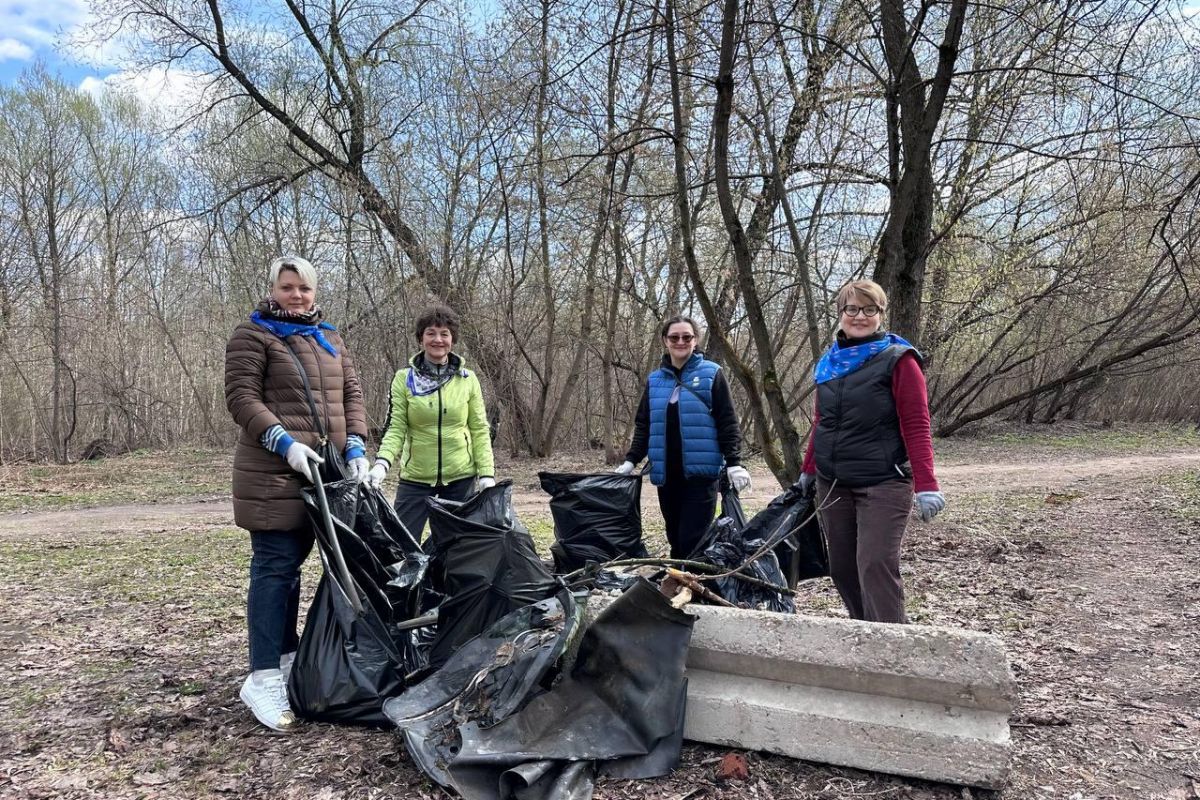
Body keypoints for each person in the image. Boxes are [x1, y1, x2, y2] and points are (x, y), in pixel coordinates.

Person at [224, 255, 369, 732]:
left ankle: (286, 661)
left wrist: (355, 445)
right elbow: (242, 398)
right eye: (288, 287)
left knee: (294, 572)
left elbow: (351, 395)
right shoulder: (253, 335)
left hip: (325, 477)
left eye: (304, 289)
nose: (297, 296)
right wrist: (283, 443)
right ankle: (262, 675)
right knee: (275, 568)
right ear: (273, 289)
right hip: (274, 474)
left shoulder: (329, 338)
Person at [796, 279, 944, 624]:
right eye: (851, 308)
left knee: (875, 565)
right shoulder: (830, 363)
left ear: (881, 314)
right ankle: (866, 633)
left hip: (883, 482)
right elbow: (822, 422)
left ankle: (895, 645)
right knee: (842, 568)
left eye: (869, 309)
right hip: (834, 484)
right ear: (840, 313)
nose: (859, 316)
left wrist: (926, 484)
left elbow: (916, 424)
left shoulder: (899, 360)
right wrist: (808, 469)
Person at [616, 315, 751, 559]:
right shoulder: (655, 381)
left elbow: (727, 422)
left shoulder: (712, 374)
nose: (680, 341)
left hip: (702, 475)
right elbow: (644, 424)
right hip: (666, 475)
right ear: (665, 341)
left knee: (692, 538)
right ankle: (680, 586)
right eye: (674, 337)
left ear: (695, 340)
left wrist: (734, 463)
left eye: (686, 337)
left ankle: (690, 583)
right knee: (675, 536)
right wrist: (631, 460)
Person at [366, 305, 495, 536]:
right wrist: (381, 464)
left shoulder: (467, 380)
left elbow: (479, 430)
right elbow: (396, 427)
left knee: (457, 551)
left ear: (452, 339)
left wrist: (486, 474)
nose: (438, 339)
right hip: (415, 478)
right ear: (420, 338)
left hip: (461, 478)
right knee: (402, 545)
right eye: (431, 333)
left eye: (444, 334)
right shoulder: (403, 379)